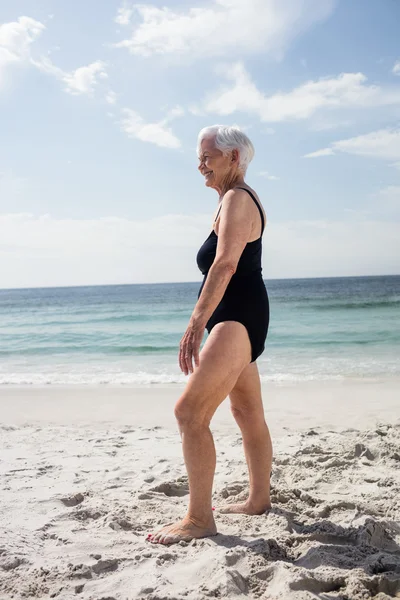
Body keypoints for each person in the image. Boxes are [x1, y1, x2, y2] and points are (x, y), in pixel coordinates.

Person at [147, 125, 272, 545]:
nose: (200, 163)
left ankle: (199, 518)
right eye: (199, 157)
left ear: (233, 157)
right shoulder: (230, 199)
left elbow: (224, 267)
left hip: (235, 317)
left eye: (207, 156)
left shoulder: (237, 199)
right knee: (246, 412)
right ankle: (259, 500)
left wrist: (196, 323)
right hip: (241, 314)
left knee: (189, 413)